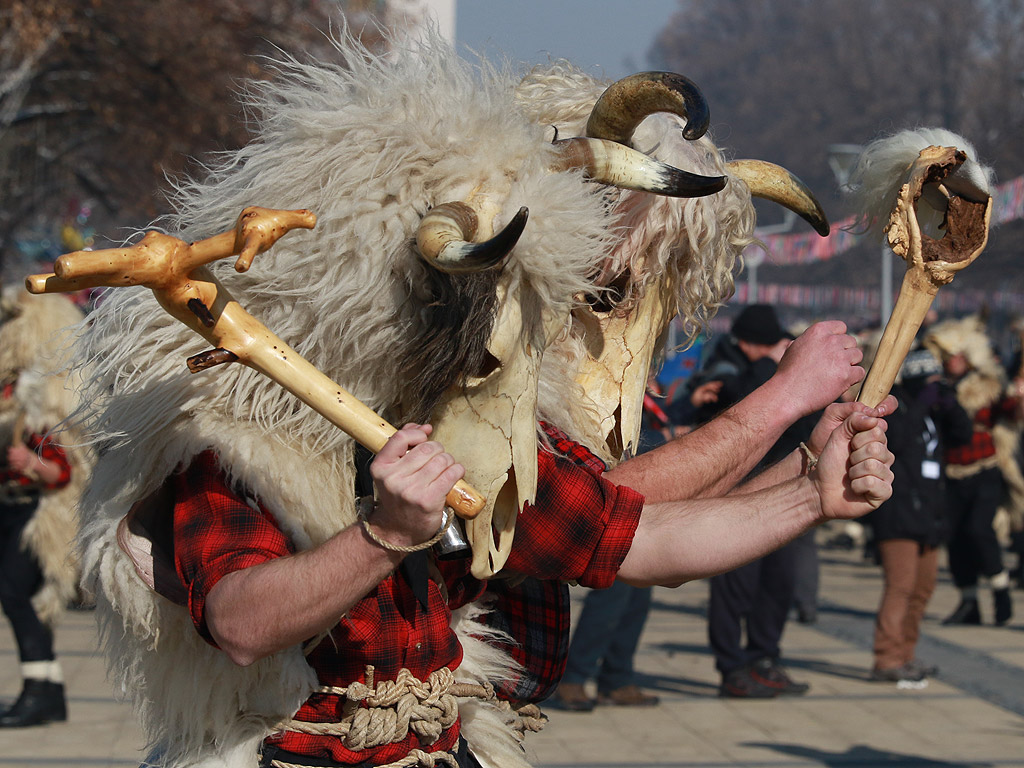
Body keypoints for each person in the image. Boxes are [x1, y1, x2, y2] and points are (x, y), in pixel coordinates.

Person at [54, 31, 893, 768]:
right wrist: (383, 535)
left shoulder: (470, 424)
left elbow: (627, 534)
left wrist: (805, 496)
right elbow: (240, 621)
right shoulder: (238, 432)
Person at [688, 304, 820, 698]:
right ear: (751, 343)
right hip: (736, 492)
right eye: (769, 343)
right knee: (734, 584)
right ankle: (731, 668)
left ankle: (765, 658)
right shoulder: (726, 367)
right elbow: (747, 406)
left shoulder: (768, 367)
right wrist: (778, 370)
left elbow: (803, 420)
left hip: (781, 485)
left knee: (779, 581)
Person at [549, 378, 671, 712]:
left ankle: (617, 678)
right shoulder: (607, 394)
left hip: (649, 510)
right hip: (619, 509)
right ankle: (573, 678)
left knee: (636, 604)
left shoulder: (648, 395)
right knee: (609, 603)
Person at [0, 288, 88, 727]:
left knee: (18, 596)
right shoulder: (11, 387)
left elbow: (65, 469)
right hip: (9, 506)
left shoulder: (48, 392)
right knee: (20, 598)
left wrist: (32, 464)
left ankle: (40, 693)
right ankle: (45, 691)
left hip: (37, 511)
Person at [865, 348, 973, 683]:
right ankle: (886, 658)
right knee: (900, 587)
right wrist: (921, 404)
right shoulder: (897, 407)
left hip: (929, 514)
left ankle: (906, 653)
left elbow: (964, 436)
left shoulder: (935, 412)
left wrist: (950, 405)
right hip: (898, 514)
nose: (933, 387)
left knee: (923, 589)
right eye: (928, 380)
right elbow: (898, 440)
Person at [924, 315, 1023, 626]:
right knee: (954, 538)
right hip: (951, 471)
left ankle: (1000, 588)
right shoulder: (937, 388)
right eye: (948, 356)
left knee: (979, 530)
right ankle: (969, 603)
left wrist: (1020, 397)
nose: (952, 361)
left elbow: (1011, 413)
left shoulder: (988, 384)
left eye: (957, 355)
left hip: (985, 469)